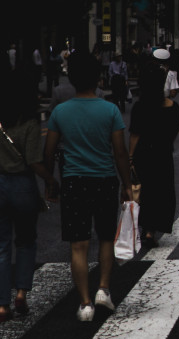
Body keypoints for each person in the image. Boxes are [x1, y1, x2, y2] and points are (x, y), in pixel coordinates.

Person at [43, 51, 132, 322]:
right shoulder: (110, 110)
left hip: (74, 181)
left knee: (78, 245)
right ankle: (103, 288)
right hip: (105, 179)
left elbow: (49, 152)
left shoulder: (60, 112)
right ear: (98, 78)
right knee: (106, 237)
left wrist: (50, 180)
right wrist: (127, 184)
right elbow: (119, 152)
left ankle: (84, 303)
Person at [0, 72, 58, 322]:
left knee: (1, 246)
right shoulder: (31, 123)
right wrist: (50, 179)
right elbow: (34, 161)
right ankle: (21, 292)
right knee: (26, 241)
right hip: (22, 184)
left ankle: (1, 305)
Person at [128, 63, 179, 248]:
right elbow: (176, 129)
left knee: (144, 191)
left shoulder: (140, 107)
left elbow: (135, 135)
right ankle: (152, 230)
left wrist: (130, 158)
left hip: (143, 154)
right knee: (161, 191)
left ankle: (145, 227)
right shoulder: (172, 107)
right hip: (163, 154)